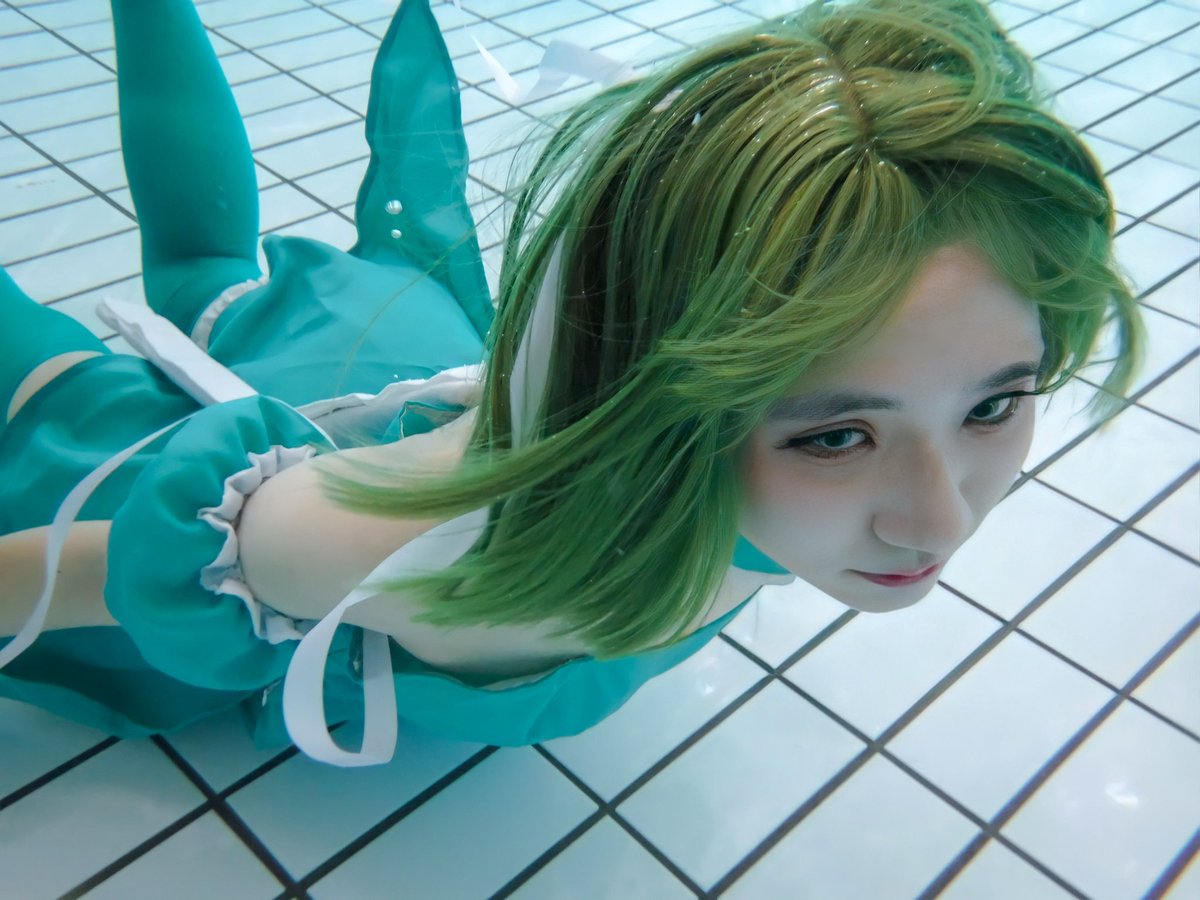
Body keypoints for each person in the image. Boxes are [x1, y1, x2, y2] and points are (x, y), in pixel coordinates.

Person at [0, 0, 1140, 766]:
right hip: (191, 469)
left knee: (205, 264)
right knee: (138, 303)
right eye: (835, 436)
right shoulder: (424, 547)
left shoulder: (730, 454)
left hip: (393, 365)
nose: (941, 522)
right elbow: (78, 570)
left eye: (995, 405)